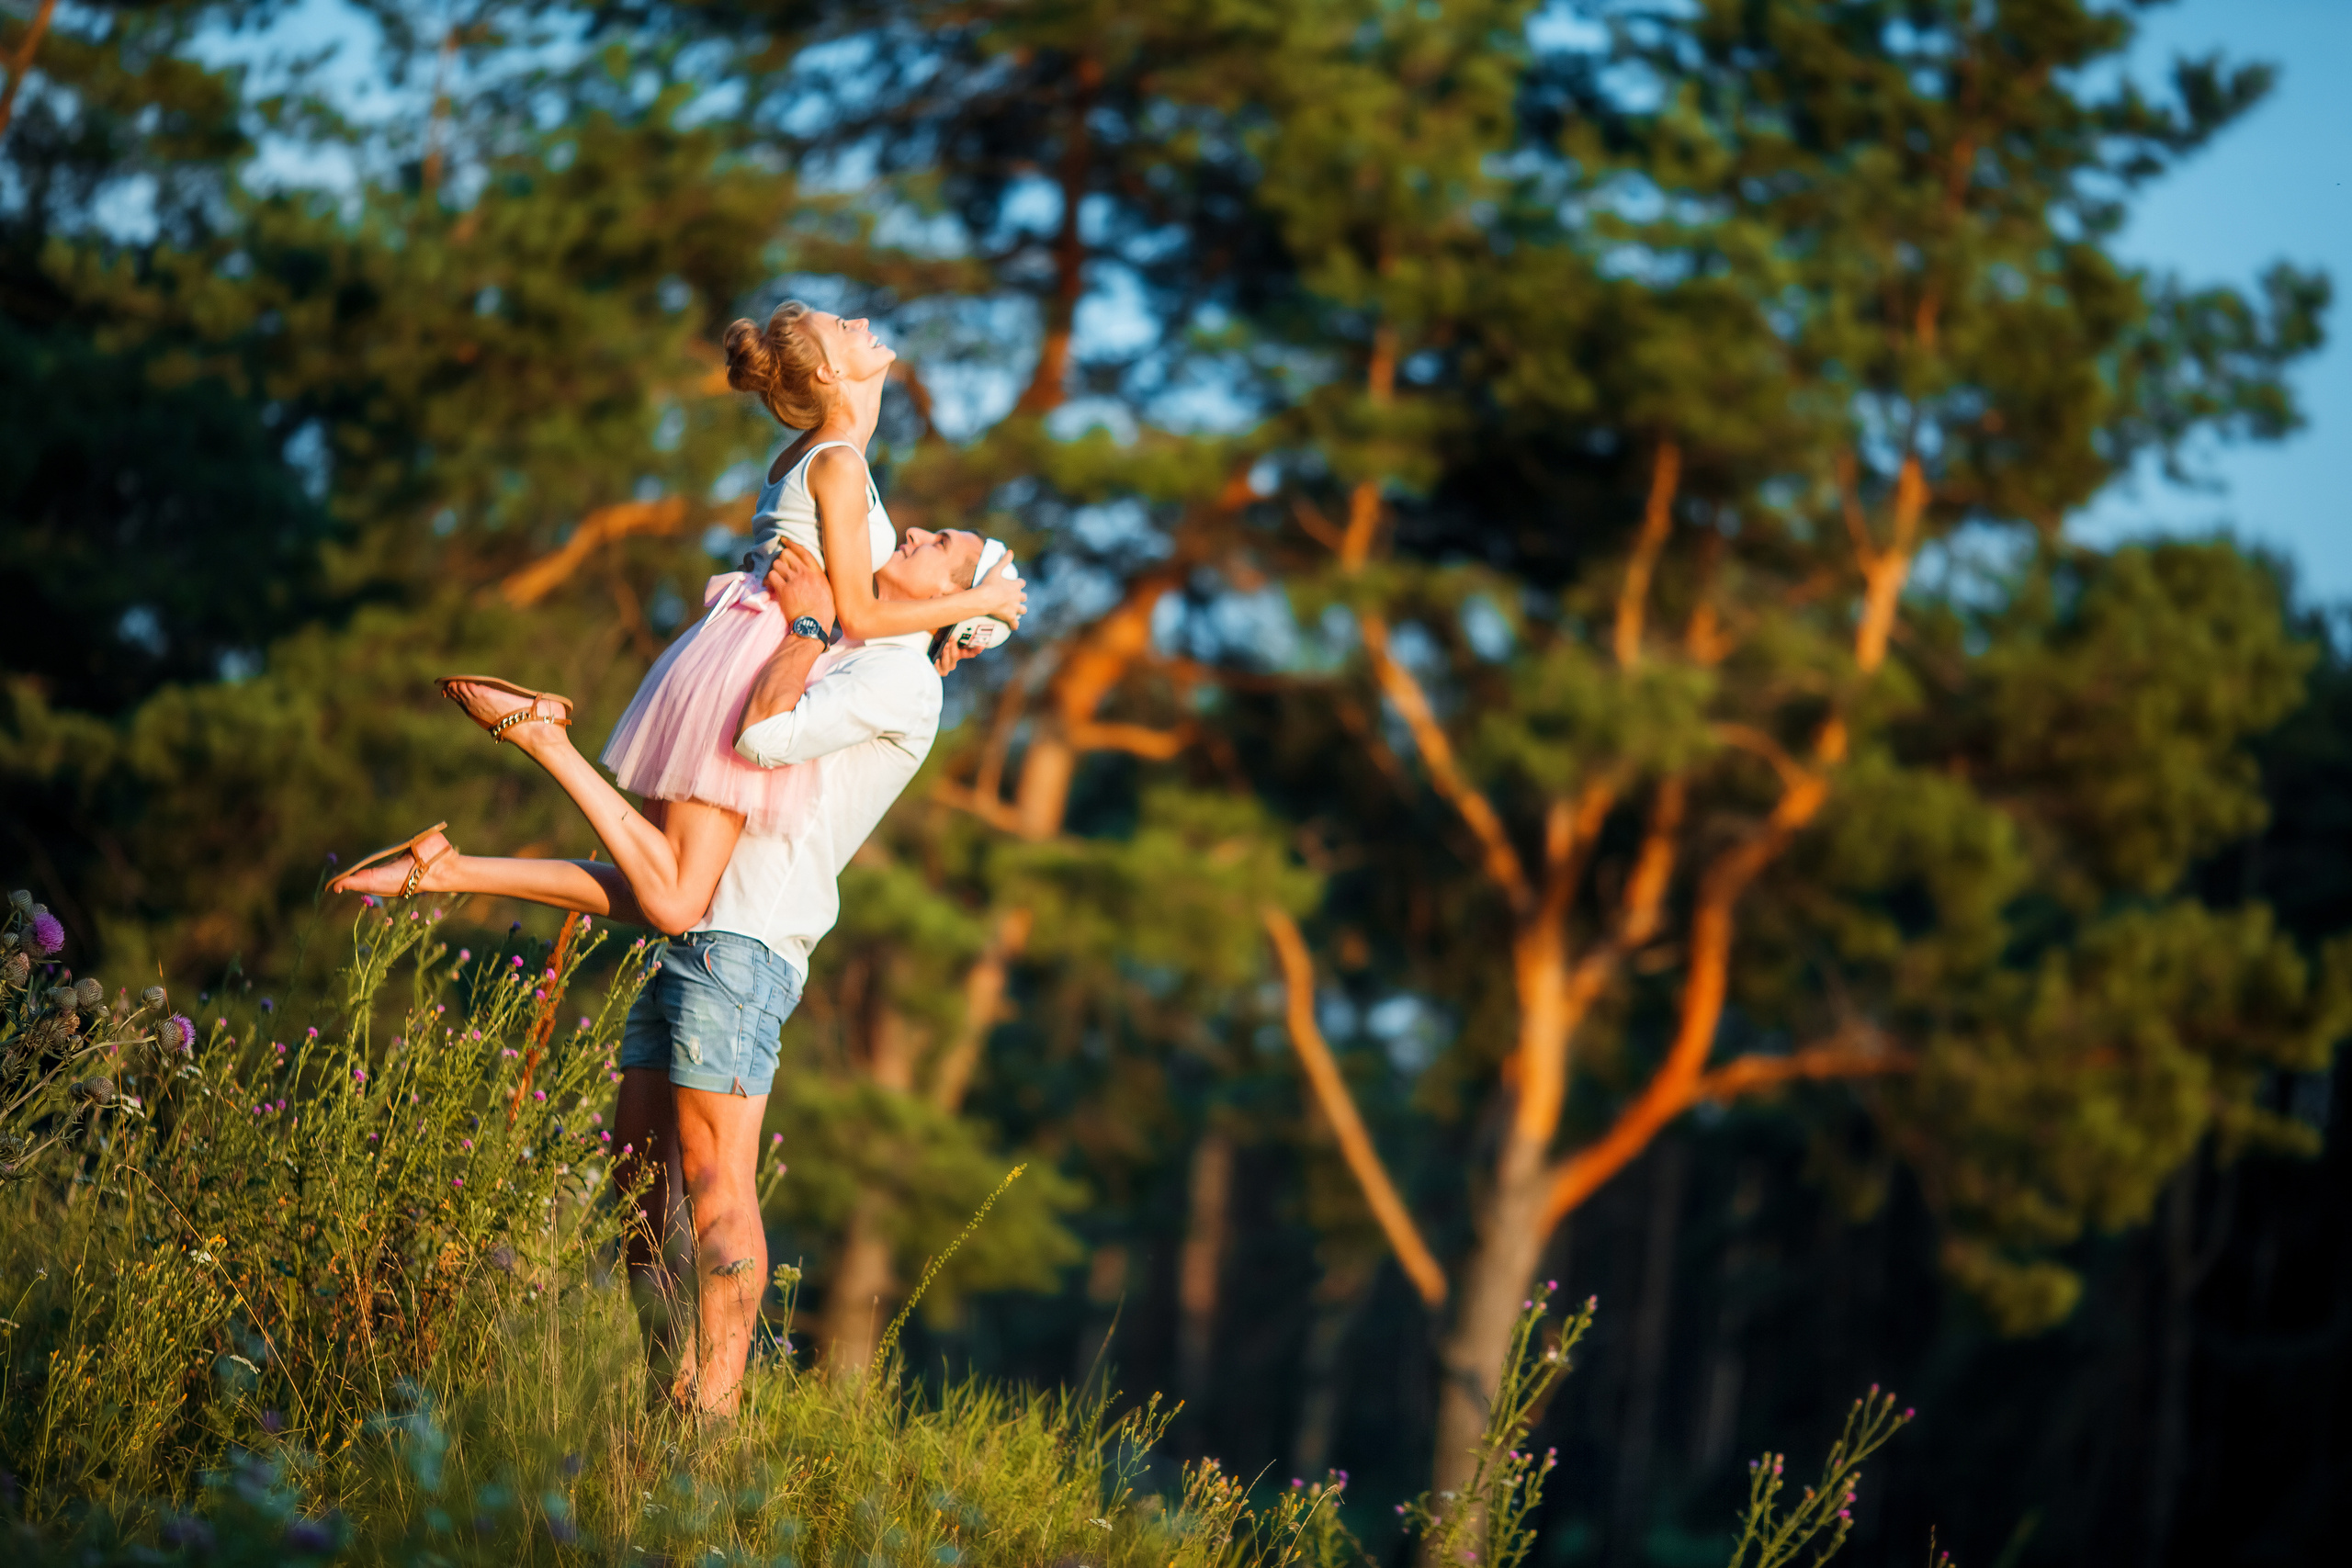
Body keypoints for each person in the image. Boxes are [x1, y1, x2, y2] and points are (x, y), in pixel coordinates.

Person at [331, 525, 1000, 1414]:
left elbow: (763, 738)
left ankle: (711, 1428)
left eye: (940, 542)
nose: (914, 530)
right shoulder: (858, 659)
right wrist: (453, 875)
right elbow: (659, 889)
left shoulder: (901, 677)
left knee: (718, 1178)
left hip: (743, 950)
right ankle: (667, 1401)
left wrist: (801, 629)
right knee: (640, 1190)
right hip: (697, 938)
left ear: (956, 607)